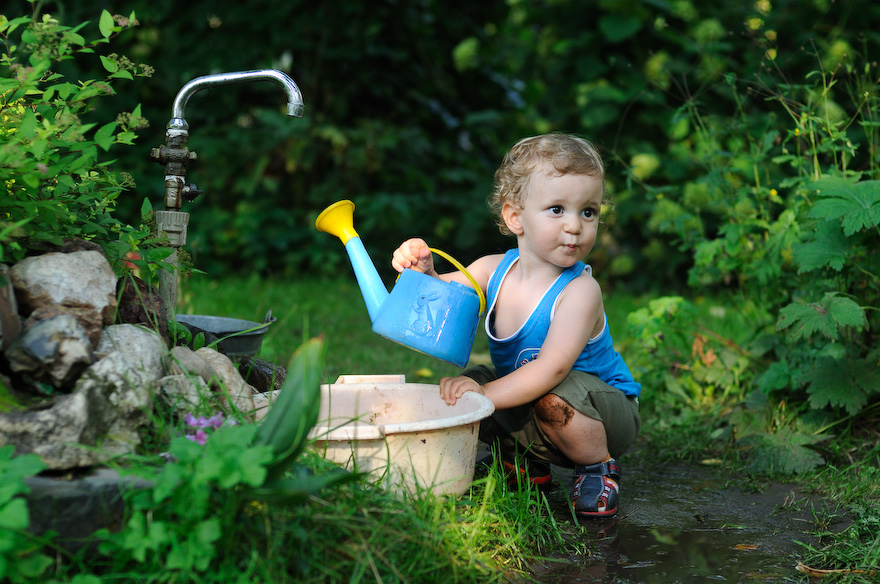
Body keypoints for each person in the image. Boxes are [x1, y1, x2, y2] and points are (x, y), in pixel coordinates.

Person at [391, 133, 641, 518]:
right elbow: (441, 298)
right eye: (557, 209)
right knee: (466, 385)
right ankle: (522, 466)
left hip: (603, 413)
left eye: (588, 211)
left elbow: (551, 368)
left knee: (549, 392)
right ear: (515, 217)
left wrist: (485, 393)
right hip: (540, 406)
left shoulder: (579, 290)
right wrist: (423, 270)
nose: (575, 225)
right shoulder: (493, 270)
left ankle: (597, 469)